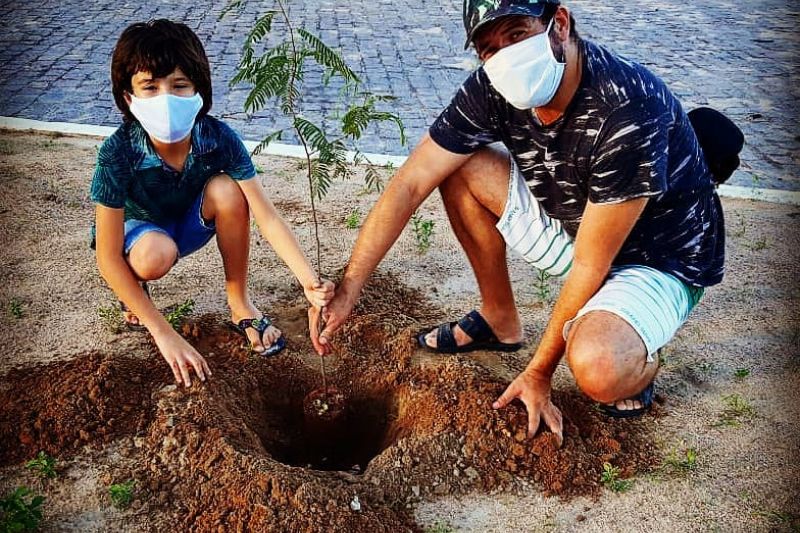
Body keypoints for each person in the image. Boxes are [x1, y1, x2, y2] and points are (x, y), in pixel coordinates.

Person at [310, 0, 724, 445]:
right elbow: (410, 183)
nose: (504, 55)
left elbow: (592, 264)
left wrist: (538, 372)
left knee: (599, 367)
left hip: (657, 259)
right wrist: (350, 286)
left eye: (516, 34)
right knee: (458, 165)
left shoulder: (626, 108)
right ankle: (499, 318)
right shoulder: (491, 88)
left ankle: (639, 357)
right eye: (489, 48)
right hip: (576, 225)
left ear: (559, 24)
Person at [91, 19, 333, 387]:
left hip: (188, 224)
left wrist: (309, 283)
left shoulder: (218, 138)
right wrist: (164, 332)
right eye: (150, 87)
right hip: (139, 238)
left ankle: (240, 303)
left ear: (199, 91)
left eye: (179, 86)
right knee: (154, 255)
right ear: (128, 97)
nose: (165, 99)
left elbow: (266, 215)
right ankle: (134, 291)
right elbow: (107, 256)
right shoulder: (117, 152)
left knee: (229, 190)